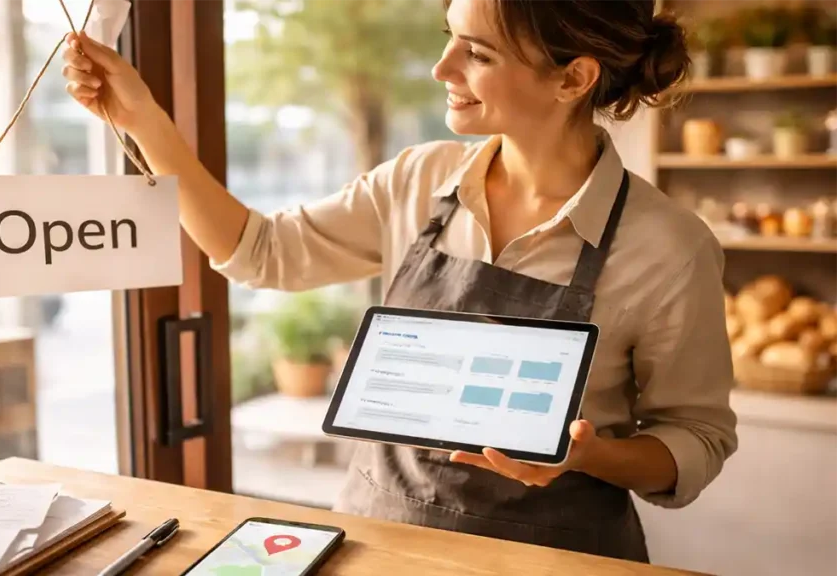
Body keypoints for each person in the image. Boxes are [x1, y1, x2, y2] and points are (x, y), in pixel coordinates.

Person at [62, 0, 737, 563]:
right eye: (450, 40)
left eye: (478, 53)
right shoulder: (417, 179)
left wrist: (587, 456)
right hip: (373, 547)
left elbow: (695, 438)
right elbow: (260, 250)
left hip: (553, 560)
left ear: (573, 78)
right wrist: (141, 118)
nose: (442, 68)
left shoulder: (668, 248)